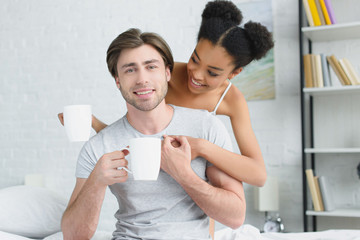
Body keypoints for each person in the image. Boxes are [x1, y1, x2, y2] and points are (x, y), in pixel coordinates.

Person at [59, 0, 273, 187]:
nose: (196, 75)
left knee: (217, 173)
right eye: (195, 59)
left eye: (212, 72)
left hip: (198, 190)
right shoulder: (160, 78)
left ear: (234, 73)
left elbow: (258, 175)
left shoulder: (231, 100)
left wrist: (202, 148)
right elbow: (134, 140)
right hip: (157, 181)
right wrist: (94, 123)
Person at [61, 28, 245, 240]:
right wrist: (96, 183)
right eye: (130, 70)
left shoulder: (206, 127)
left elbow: (235, 217)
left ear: (167, 73)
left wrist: (183, 173)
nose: (142, 79)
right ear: (117, 80)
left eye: (151, 67)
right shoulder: (98, 147)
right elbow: (73, 237)